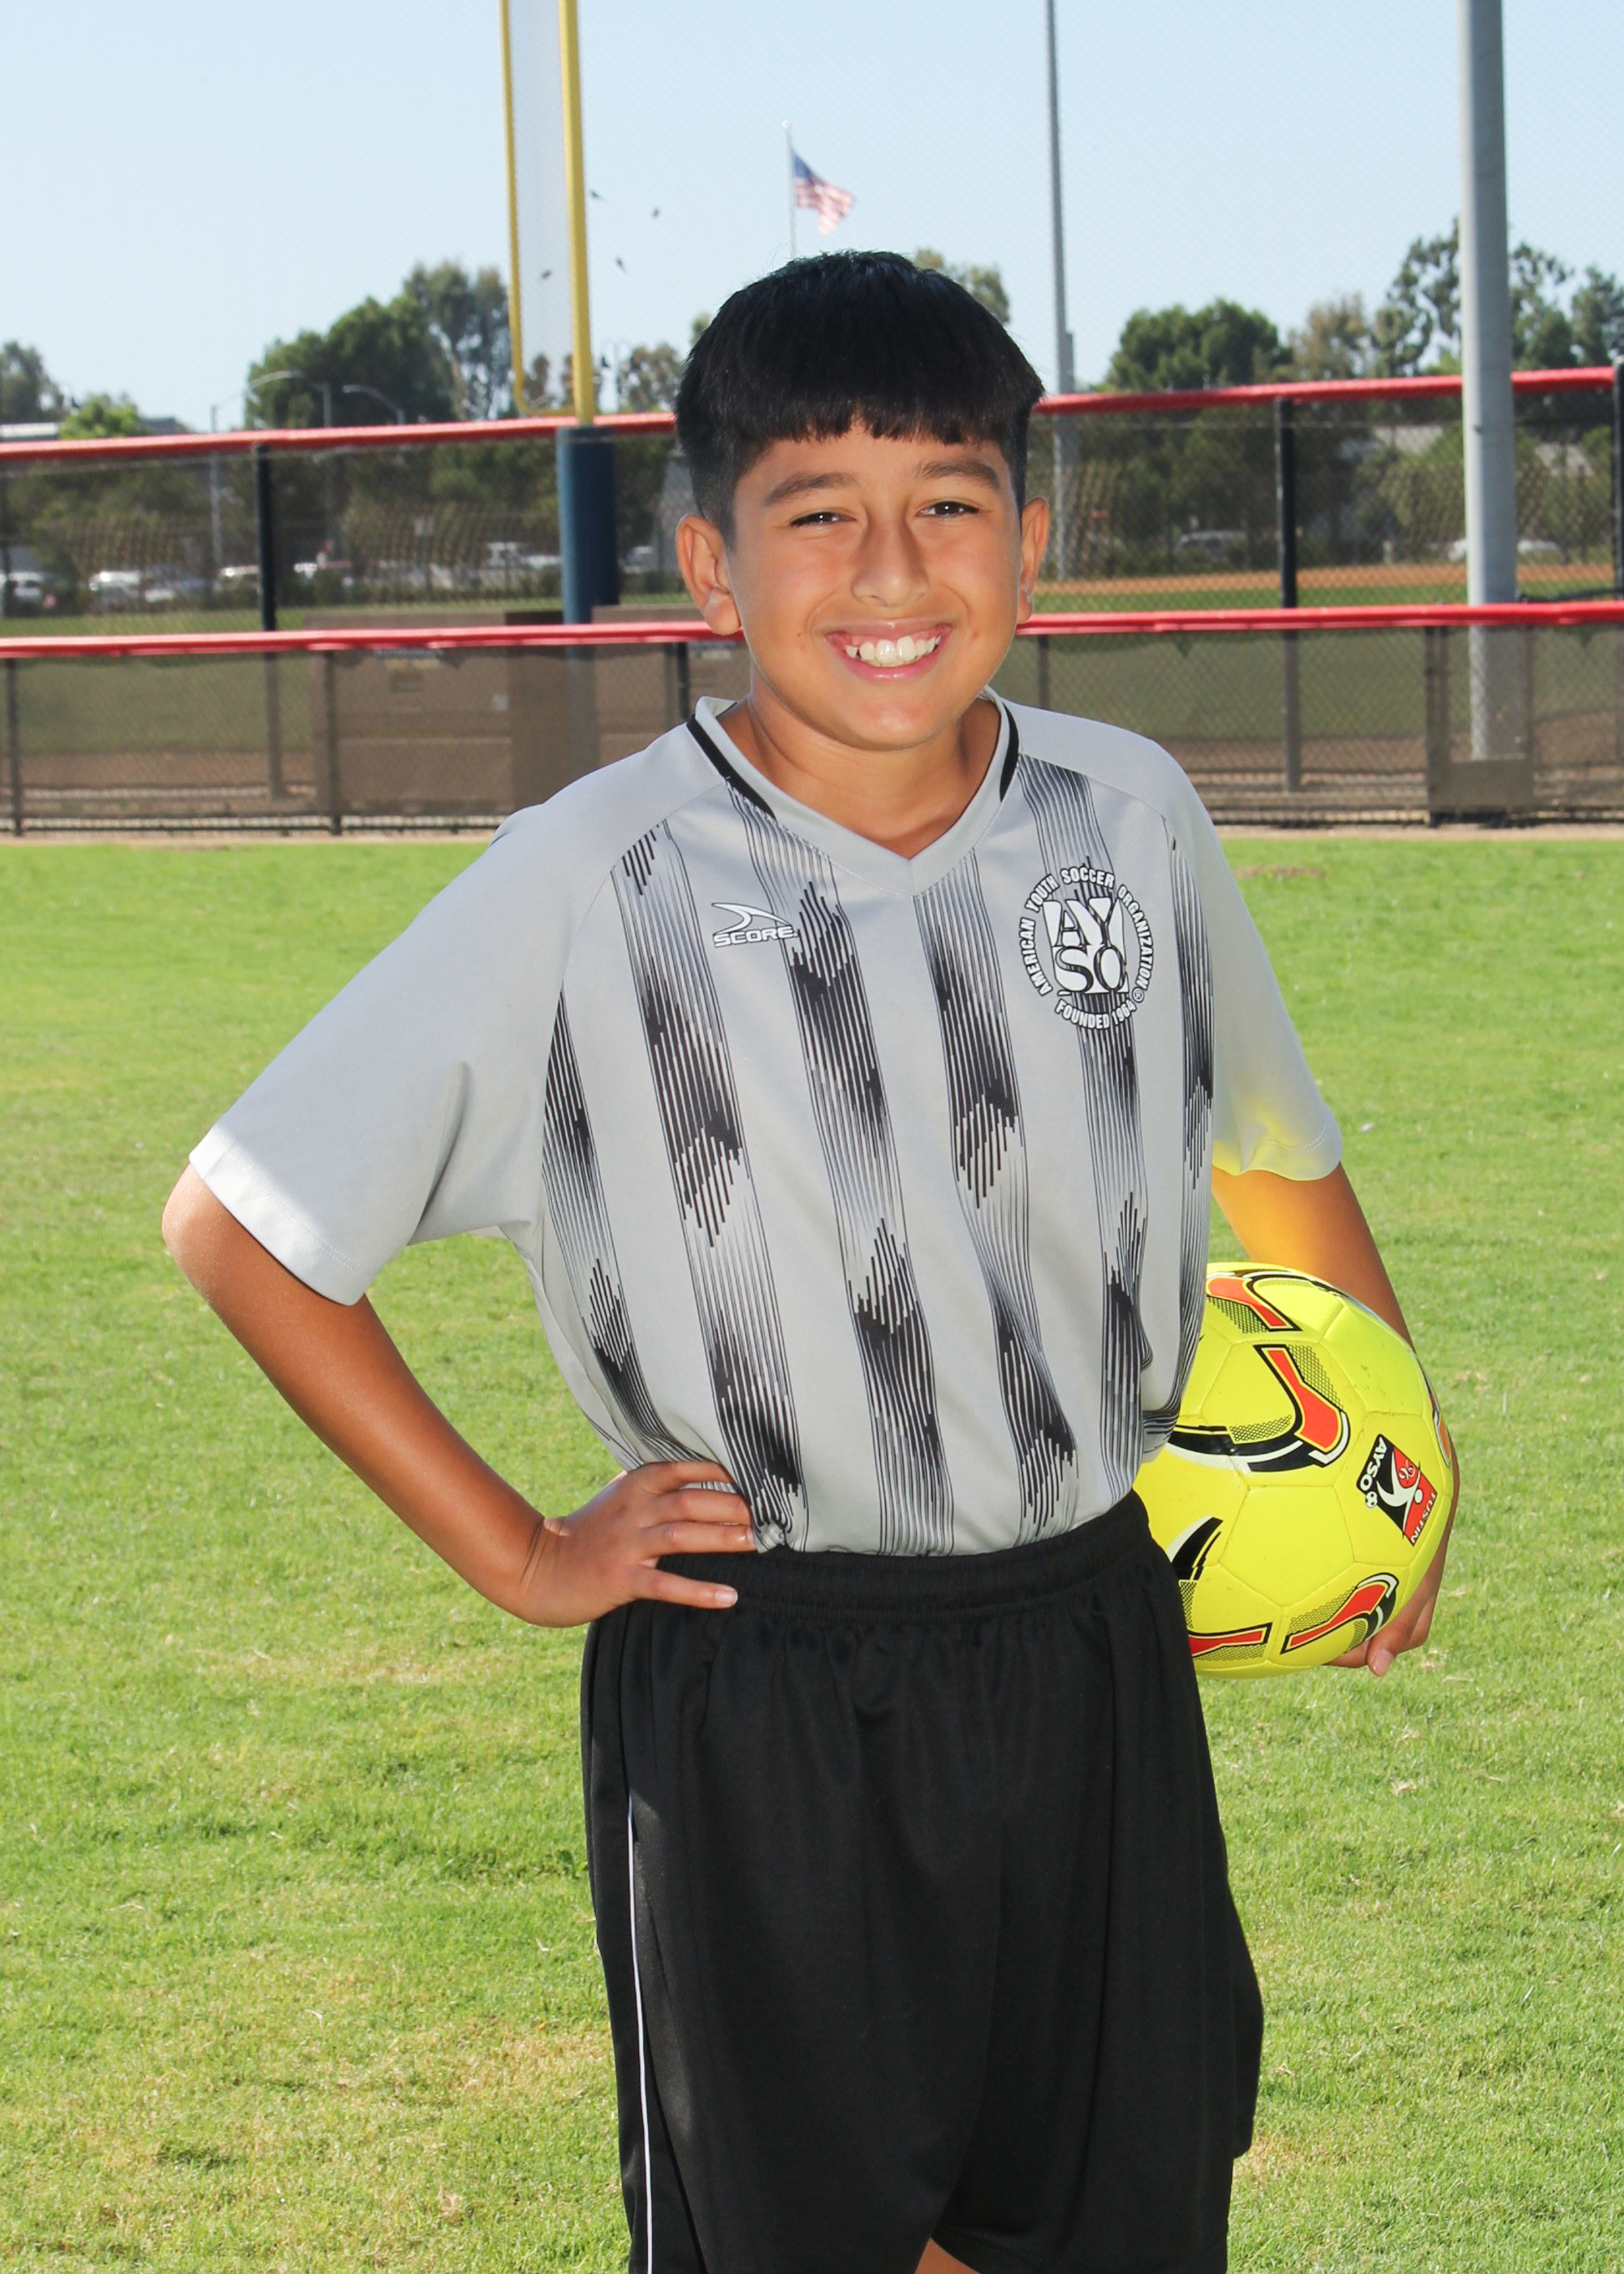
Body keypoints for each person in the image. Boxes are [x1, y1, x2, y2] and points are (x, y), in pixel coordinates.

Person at [162, 250, 1457, 2274]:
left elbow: (1273, 1148)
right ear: (710, 558)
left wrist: (1396, 1471)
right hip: (763, 1672)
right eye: (817, 513)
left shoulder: (1129, 817)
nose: (891, 569)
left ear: (1033, 536)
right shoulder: (591, 876)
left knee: (1126, 2207)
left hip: (1092, 1642)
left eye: (947, 502)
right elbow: (245, 1221)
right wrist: (523, 1552)